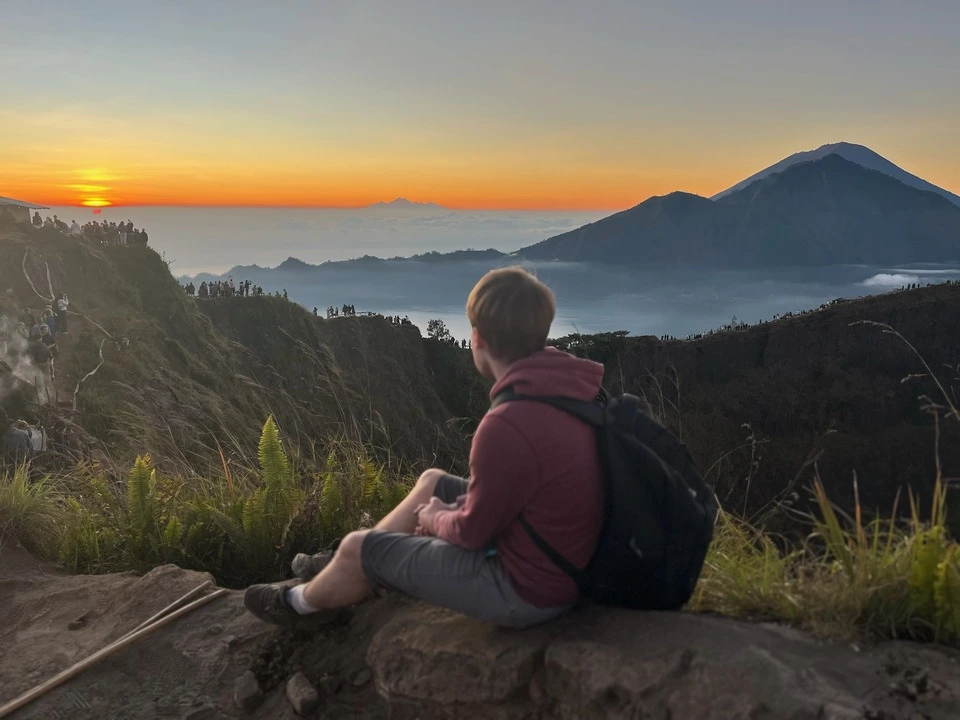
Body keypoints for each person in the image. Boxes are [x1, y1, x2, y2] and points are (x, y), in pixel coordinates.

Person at [244, 267, 605, 629]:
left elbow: (471, 533)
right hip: (559, 555)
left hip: (526, 589)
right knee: (433, 481)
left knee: (361, 547)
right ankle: (344, 567)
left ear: (477, 339)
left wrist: (435, 518)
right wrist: (446, 507)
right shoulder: (566, 388)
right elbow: (518, 491)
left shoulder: (508, 425)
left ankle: (299, 605)